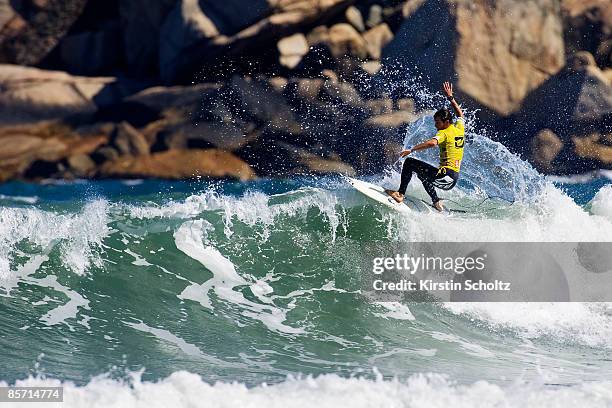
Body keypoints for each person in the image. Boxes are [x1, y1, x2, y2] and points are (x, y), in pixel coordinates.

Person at [386, 81, 465, 212]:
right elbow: (460, 115)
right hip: (451, 180)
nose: (436, 125)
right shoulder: (459, 128)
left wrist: (411, 150)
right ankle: (436, 201)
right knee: (422, 173)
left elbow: (432, 143)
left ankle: (400, 194)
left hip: (444, 176)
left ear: (446, 122)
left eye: (438, 122)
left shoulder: (444, 132)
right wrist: (450, 97)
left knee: (410, 162)